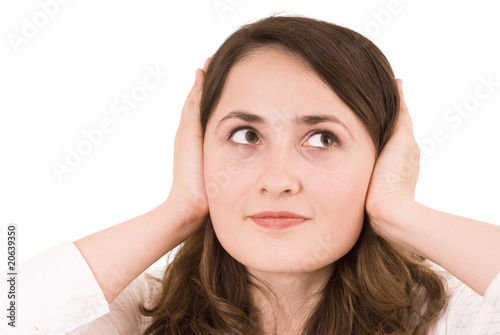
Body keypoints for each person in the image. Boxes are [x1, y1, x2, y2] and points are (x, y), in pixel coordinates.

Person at [2, 15, 500, 334]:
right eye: (245, 136)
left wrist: (396, 208)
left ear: (384, 155)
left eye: (323, 138)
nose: (277, 179)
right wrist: (180, 209)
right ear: (198, 150)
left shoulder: (447, 317)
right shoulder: (135, 314)